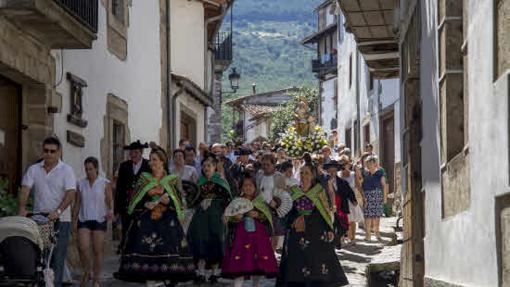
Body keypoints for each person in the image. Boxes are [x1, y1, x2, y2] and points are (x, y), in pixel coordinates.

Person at [115, 146, 195, 283]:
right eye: (151, 160)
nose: (151, 163)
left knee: (167, 257)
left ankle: (166, 280)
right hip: (145, 223)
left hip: (167, 223)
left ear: (162, 162)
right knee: (145, 260)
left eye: (154, 160)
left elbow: (178, 203)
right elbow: (134, 201)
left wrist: (168, 201)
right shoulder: (144, 178)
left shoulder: (172, 179)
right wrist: (145, 204)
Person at [277, 163, 349, 287]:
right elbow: (286, 213)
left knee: (317, 264)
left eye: (307, 173)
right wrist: (295, 219)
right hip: (298, 234)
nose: (304, 176)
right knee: (297, 265)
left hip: (316, 233)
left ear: (312, 175)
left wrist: (328, 229)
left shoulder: (319, 191)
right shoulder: (293, 191)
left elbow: (325, 213)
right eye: (301, 173)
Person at [18, 136, 77, 287]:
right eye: (46, 151)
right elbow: (25, 190)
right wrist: (22, 208)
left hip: (61, 220)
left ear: (58, 153)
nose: (49, 154)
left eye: (52, 151)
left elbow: (70, 193)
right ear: (42, 151)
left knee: (57, 258)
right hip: (40, 220)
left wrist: (58, 211)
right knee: (41, 258)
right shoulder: (34, 169)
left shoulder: (66, 170)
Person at [222, 174, 278, 287]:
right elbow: (228, 218)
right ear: (241, 187)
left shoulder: (260, 201)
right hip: (240, 240)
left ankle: (256, 285)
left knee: (257, 265)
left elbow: (267, 219)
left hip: (258, 239)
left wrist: (258, 215)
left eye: (250, 185)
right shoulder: (236, 202)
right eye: (245, 185)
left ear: (255, 187)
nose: (248, 188)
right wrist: (236, 217)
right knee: (240, 265)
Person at [187, 153, 232, 284]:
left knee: (216, 241)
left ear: (214, 167)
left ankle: (215, 273)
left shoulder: (221, 181)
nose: (206, 168)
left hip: (216, 217)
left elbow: (228, 200)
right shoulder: (199, 182)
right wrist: (197, 201)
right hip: (200, 217)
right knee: (200, 241)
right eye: (204, 165)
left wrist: (225, 213)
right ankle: (200, 272)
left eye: (209, 165)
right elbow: (192, 200)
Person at [73, 157, 113, 287]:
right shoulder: (81, 184)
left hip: (99, 219)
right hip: (84, 219)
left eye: (90, 169)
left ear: (96, 169)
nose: (88, 172)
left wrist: (111, 211)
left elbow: (110, 200)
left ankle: (96, 279)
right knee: (83, 248)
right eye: (86, 169)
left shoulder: (104, 183)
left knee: (97, 250)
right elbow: (77, 203)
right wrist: (74, 220)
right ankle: (87, 271)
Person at [114, 140, 151, 253]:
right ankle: (127, 256)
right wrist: (117, 209)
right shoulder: (124, 166)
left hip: (143, 206)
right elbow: (119, 188)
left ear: (141, 153)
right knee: (127, 231)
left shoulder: (148, 165)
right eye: (131, 152)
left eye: (135, 152)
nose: (133, 155)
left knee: (142, 231)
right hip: (127, 206)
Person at [320, 160, 357, 248]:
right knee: (330, 226)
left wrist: (353, 200)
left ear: (337, 171)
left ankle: (339, 241)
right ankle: (331, 243)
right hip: (328, 207)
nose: (332, 173)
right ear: (327, 171)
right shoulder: (323, 182)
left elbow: (349, 192)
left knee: (341, 226)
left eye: (334, 171)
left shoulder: (342, 182)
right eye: (330, 171)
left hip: (341, 208)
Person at [256, 153, 286, 250]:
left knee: (274, 232)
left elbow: (282, 194)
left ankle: (272, 255)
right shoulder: (259, 175)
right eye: (263, 164)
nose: (265, 166)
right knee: (262, 233)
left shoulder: (279, 176)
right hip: (261, 208)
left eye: (268, 164)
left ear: (273, 165)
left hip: (274, 208)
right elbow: (257, 190)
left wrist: (275, 202)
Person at [361, 155, 388, 242]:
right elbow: (361, 186)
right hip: (367, 195)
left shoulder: (380, 172)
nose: (368, 166)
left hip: (377, 194)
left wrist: (385, 198)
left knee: (377, 215)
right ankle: (368, 235)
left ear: (375, 163)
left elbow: (384, 186)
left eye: (370, 164)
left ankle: (377, 233)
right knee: (367, 215)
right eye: (367, 164)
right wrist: (362, 197)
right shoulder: (364, 173)